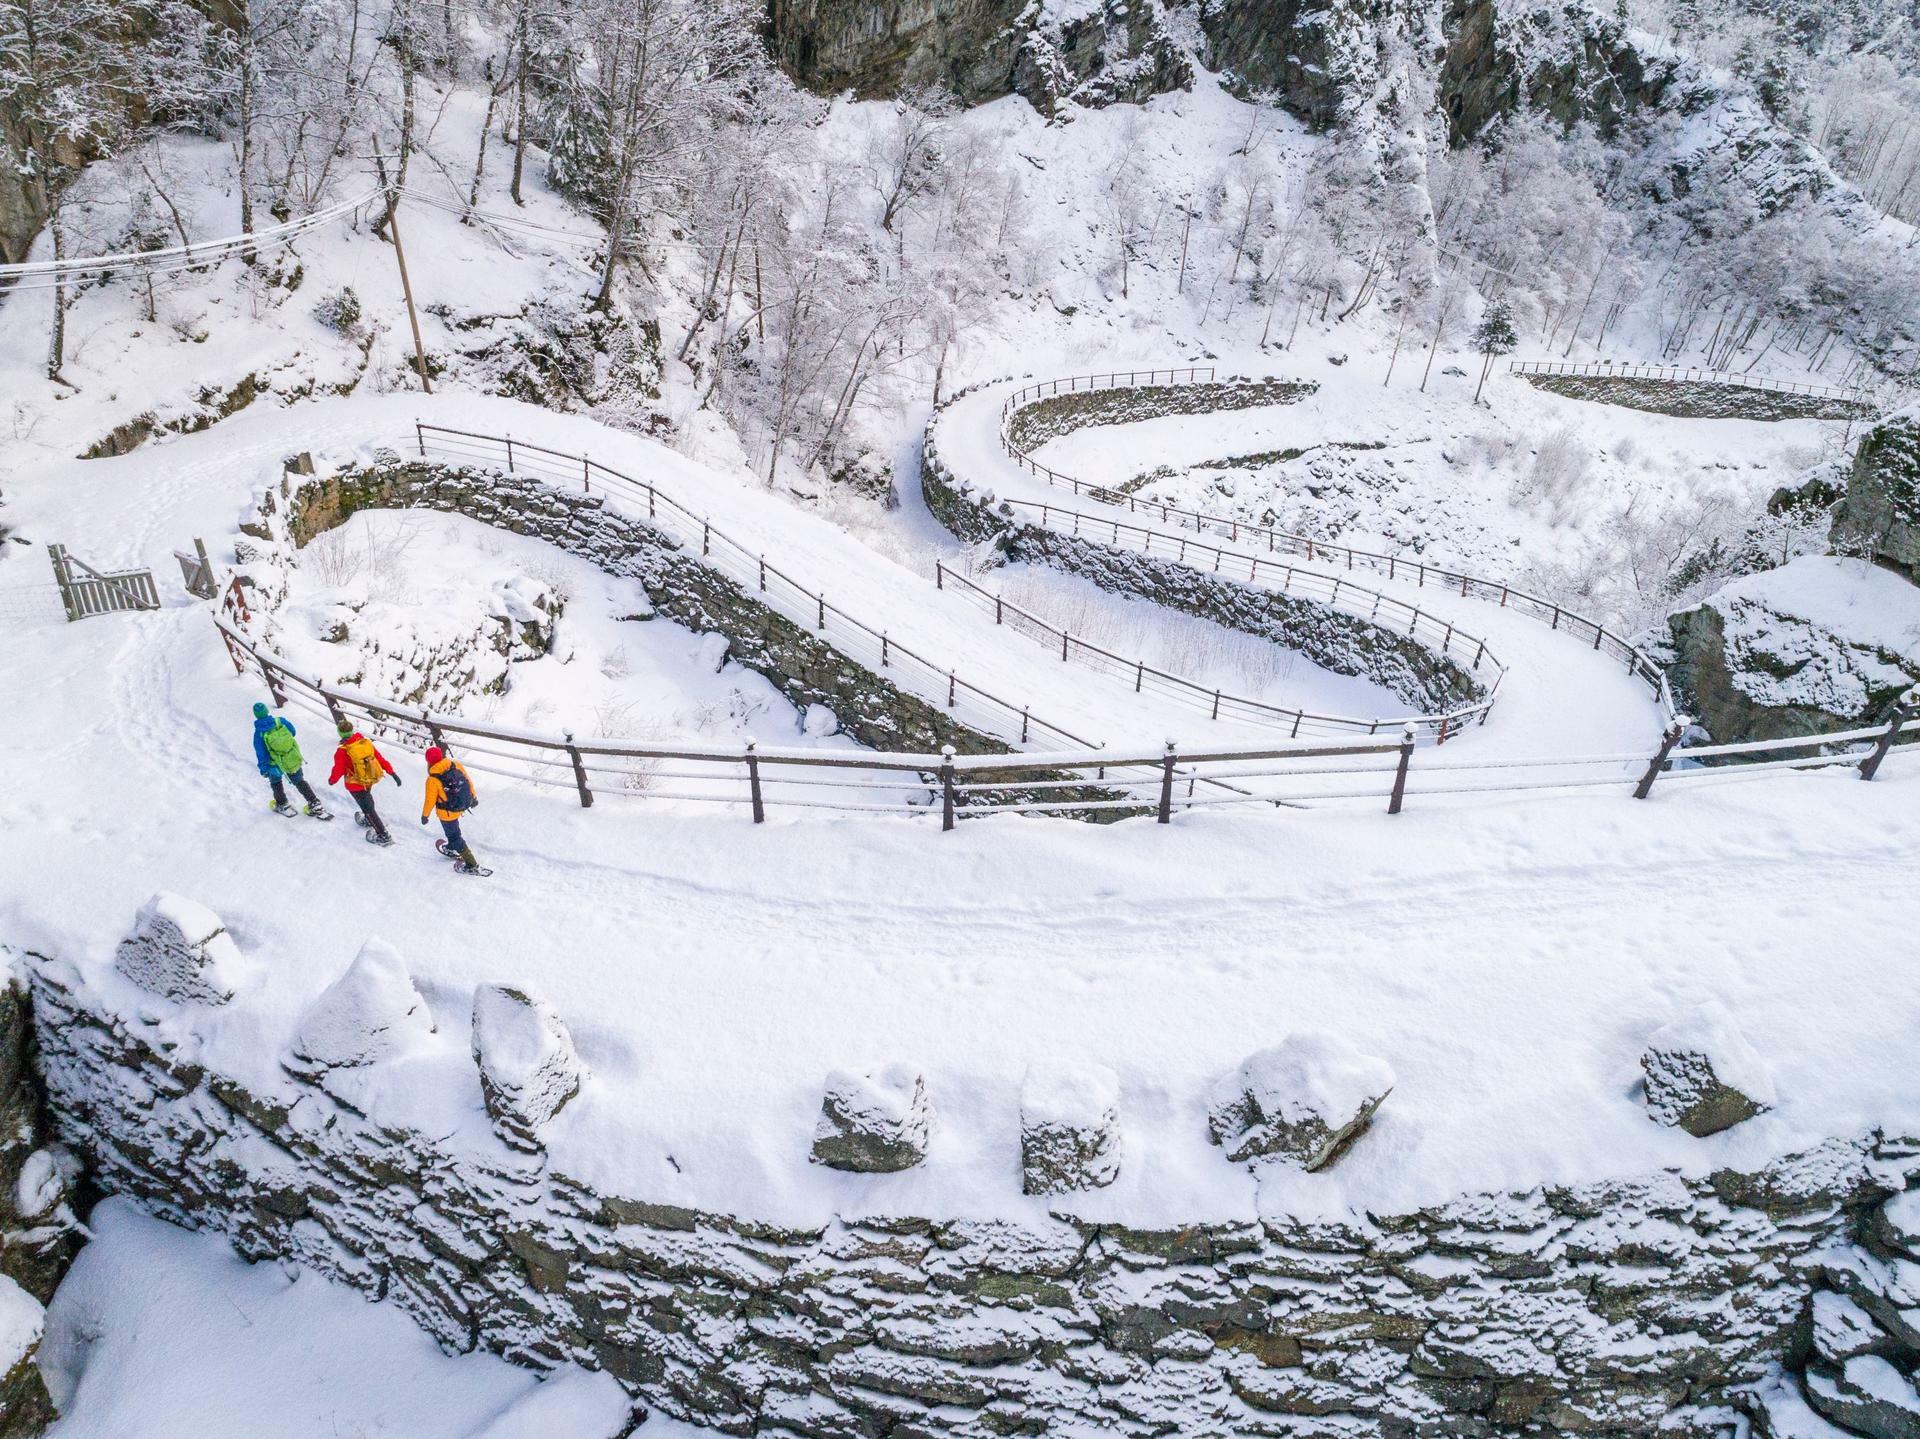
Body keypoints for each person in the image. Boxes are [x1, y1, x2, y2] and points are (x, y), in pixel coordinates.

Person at [252, 703, 330, 819]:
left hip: (274, 764)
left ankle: (283, 804)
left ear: (256, 715)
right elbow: (292, 732)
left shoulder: (259, 734)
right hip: (291, 757)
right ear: (267, 711)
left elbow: (261, 754)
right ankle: (314, 803)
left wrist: (263, 769)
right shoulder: (280, 721)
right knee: (299, 781)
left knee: (276, 782)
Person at [328, 720, 399, 845]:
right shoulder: (365, 743)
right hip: (369, 779)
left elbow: (338, 769)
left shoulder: (343, 751)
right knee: (367, 799)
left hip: (355, 784)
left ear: (340, 733)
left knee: (367, 808)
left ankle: (383, 835)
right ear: (352, 730)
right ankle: (368, 819)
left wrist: (332, 780)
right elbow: (380, 759)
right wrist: (392, 772)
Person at [420, 746, 484, 874]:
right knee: (453, 831)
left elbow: (429, 800)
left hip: (447, 813)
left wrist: (425, 815)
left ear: (429, 762)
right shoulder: (455, 765)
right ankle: (451, 847)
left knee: (454, 836)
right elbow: (468, 781)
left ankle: (471, 864)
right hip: (459, 806)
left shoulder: (432, 779)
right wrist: (474, 798)